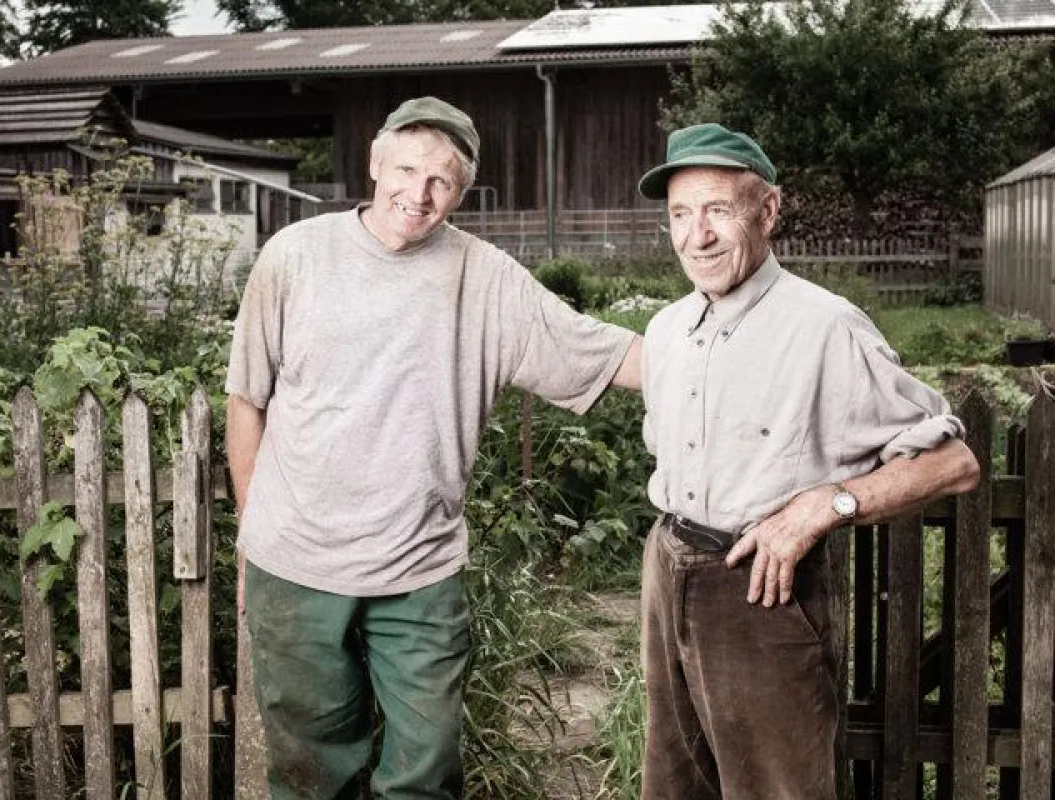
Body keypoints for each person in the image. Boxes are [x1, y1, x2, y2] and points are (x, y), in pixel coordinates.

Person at [225, 96, 642, 799]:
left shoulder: (486, 279)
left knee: (425, 768)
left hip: (420, 566)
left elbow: (603, 352)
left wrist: (730, 349)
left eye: (441, 181)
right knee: (309, 772)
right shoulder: (294, 257)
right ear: (375, 163)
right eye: (407, 168)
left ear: (462, 192)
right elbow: (247, 401)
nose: (418, 194)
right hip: (294, 559)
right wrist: (250, 535)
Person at [634, 123, 980, 799]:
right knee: (674, 782)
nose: (695, 235)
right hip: (667, 567)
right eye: (680, 214)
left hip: (761, 587)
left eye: (718, 211)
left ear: (767, 211)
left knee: (777, 789)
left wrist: (827, 505)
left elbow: (955, 464)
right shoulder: (667, 328)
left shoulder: (824, 327)